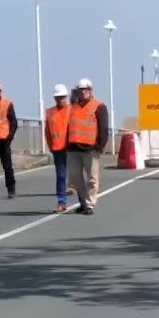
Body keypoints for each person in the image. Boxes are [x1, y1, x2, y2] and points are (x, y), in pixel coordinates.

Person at [66, 78, 109, 215]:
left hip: (91, 149)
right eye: (80, 90)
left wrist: (99, 147)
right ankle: (83, 202)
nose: (83, 92)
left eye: (86, 89)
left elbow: (103, 129)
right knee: (75, 178)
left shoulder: (99, 106)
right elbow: (67, 126)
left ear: (90, 90)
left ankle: (89, 204)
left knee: (92, 178)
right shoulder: (72, 107)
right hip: (73, 148)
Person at [44, 84, 72, 212]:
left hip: (73, 148)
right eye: (57, 97)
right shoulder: (50, 112)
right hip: (58, 149)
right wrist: (51, 146)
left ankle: (84, 201)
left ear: (66, 97)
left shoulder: (73, 110)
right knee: (61, 176)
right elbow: (47, 132)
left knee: (77, 175)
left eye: (62, 97)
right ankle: (61, 202)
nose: (60, 99)